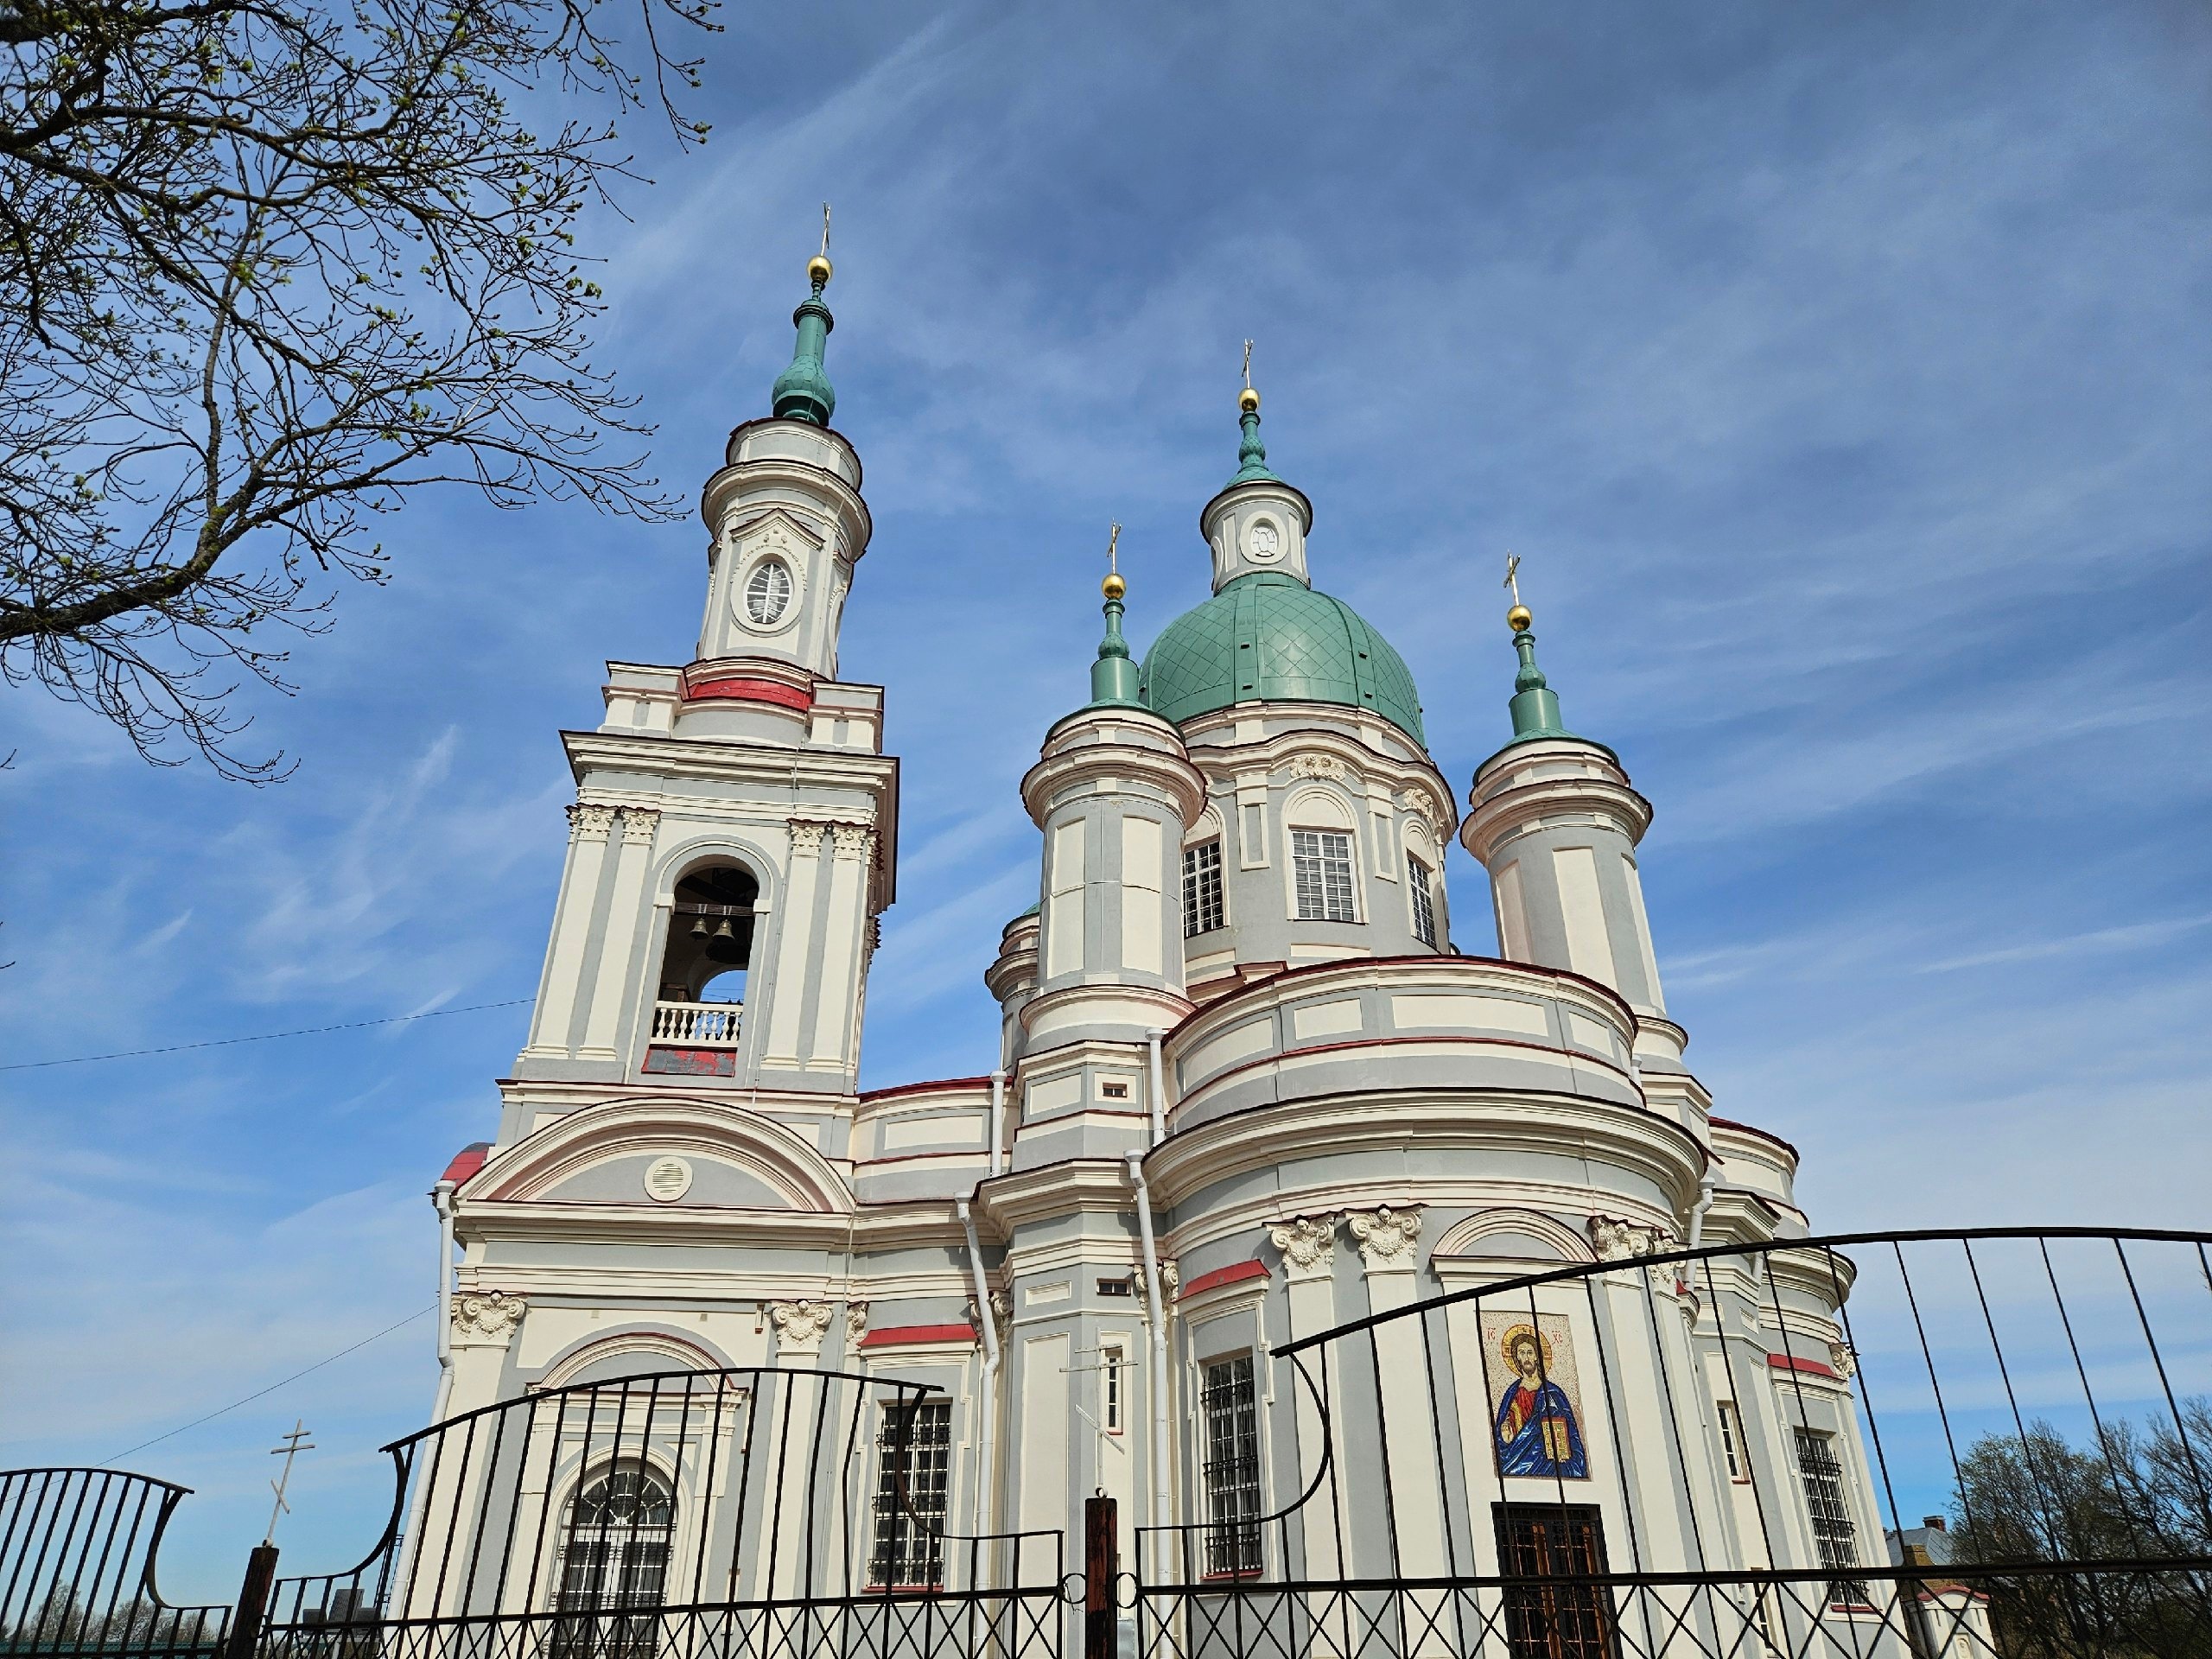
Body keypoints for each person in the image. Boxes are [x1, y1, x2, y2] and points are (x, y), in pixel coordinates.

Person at [1494, 1326, 1587, 1478]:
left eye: (1530, 1353)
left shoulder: (1553, 1392)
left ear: (1537, 1357)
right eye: (1522, 1353)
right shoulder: (1512, 1394)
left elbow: (1570, 1430)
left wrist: (1566, 1454)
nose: (1527, 1358)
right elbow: (1502, 1433)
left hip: (1549, 1463)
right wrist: (1505, 1440)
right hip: (1516, 1461)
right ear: (1516, 1358)